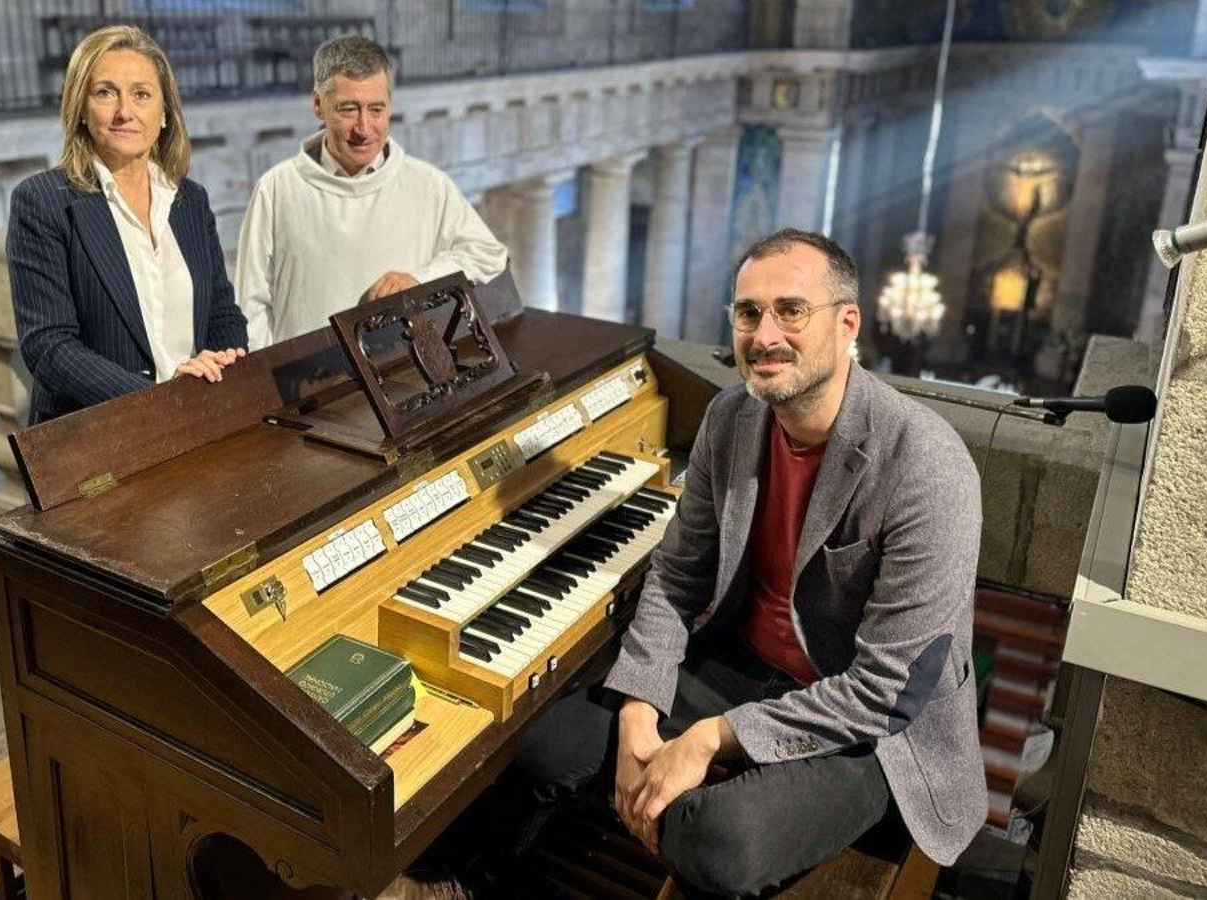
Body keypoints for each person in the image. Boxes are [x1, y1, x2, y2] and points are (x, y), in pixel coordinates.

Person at [390, 230, 986, 899]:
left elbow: (884, 692)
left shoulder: (927, 468)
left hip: (868, 728)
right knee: (545, 751)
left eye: (792, 310)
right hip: (739, 667)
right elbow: (677, 574)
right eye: (747, 313)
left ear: (847, 324)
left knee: (713, 842)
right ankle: (471, 883)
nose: (764, 335)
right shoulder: (731, 417)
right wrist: (641, 701)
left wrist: (710, 740)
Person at [7, 25, 248, 424]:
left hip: (195, 420)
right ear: (80, 110)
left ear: (165, 112)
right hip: (100, 437)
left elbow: (222, 313)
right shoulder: (43, 202)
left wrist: (221, 363)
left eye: (141, 94)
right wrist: (159, 400)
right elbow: (48, 346)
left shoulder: (191, 200)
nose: (125, 112)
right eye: (105, 92)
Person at [235, 36, 507, 348]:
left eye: (376, 109)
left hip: (402, 374)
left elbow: (488, 255)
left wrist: (420, 279)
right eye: (349, 109)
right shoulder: (276, 189)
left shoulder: (427, 183)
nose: (364, 128)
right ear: (318, 105)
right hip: (307, 384)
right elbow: (250, 306)